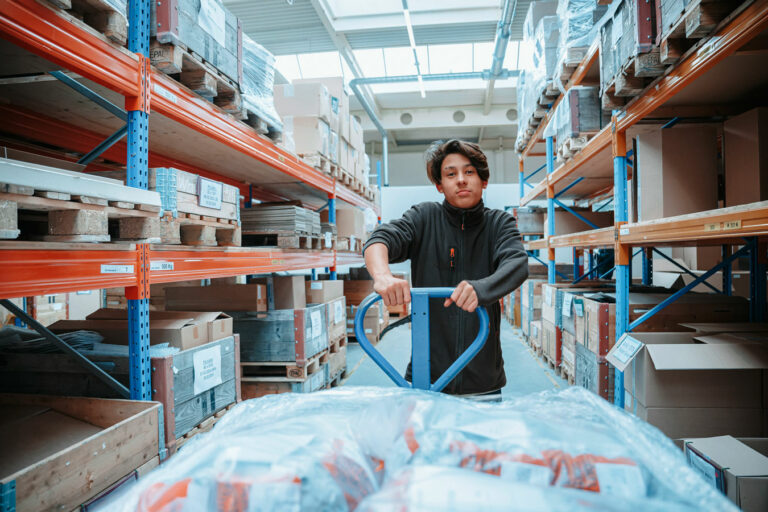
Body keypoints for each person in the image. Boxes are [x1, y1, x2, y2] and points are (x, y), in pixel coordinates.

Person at [363, 139, 529, 401]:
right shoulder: (424, 218)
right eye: (451, 174)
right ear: (440, 186)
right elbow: (380, 239)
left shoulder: (499, 223)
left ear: (484, 181)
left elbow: (516, 264)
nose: (461, 180)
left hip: (483, 382)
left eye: (469, 172)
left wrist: (481, 289)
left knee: (480, 444)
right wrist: (383, 277)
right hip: (425, 379)